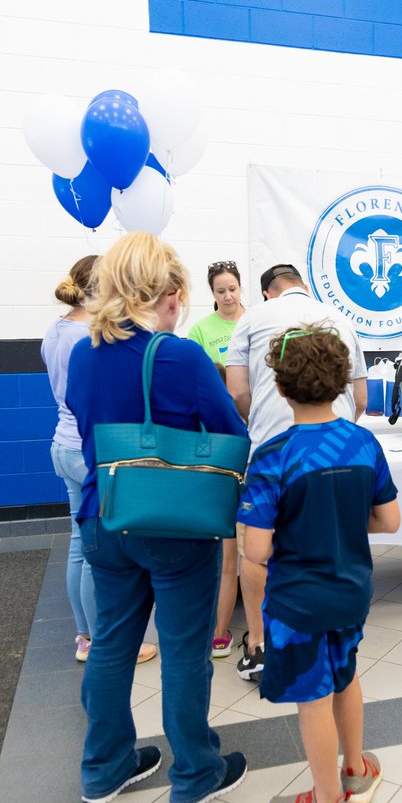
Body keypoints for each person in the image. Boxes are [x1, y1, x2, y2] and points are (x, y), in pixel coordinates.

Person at [66, 233, 249, 803]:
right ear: (169, 294)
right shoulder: (178, 354)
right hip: (172, 523)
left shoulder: (82, 351)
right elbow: (229, 434)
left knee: (112, 644)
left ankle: (104, 767)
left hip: (102, 514)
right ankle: (195, 771)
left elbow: (80, 411)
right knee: (183, 649)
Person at [239, 325, 400, 803]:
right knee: (346, 674)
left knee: (313, 696)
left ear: (280, 387)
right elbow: (389, 520)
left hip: (298, 600)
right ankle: (355, 771)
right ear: (338, 382)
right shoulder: (361, 442)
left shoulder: (272, 456)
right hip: (352, 589)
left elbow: (257, 551)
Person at [226, 262, 368, 681]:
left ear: (268, 292)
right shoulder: (342, 318)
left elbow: (236, 390)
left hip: (273, 450)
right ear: (303, 287)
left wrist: (261, 425)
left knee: (257, 549)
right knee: (327, 542)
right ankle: (327, 640)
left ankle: (259, 644)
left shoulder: (251, 318)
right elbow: (359, 397)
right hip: (336, 451)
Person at [42, 256, 157, 665]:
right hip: (87, 450)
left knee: (79, 545)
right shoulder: (88, 337)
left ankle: (85, 637)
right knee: (97, 549)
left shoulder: (56, 330)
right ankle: (106, 642)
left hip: (62, 444)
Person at [188, 261, 247, 658]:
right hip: (222, 441)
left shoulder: (256, 323)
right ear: (212, 293)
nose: (228, 296)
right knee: (226, 544)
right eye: (221, 290)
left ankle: (263, 627)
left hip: (258, 434)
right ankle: (221, 629)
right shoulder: (200, 332)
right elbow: (199, 386)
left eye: (233, 288)